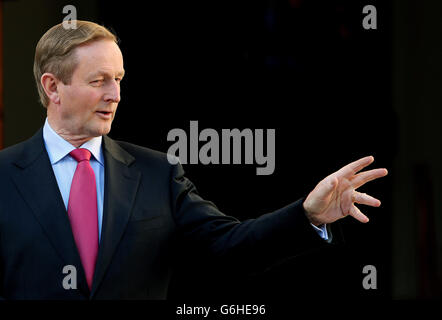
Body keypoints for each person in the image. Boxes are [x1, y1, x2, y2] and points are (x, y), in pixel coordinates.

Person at [0, 21, 388, 300]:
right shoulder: (3, 176)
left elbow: (231, 246)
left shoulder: (157, 173)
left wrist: (308, 214)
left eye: (119, 78)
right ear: (53, 86)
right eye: (99, 80)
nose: (116, 94)